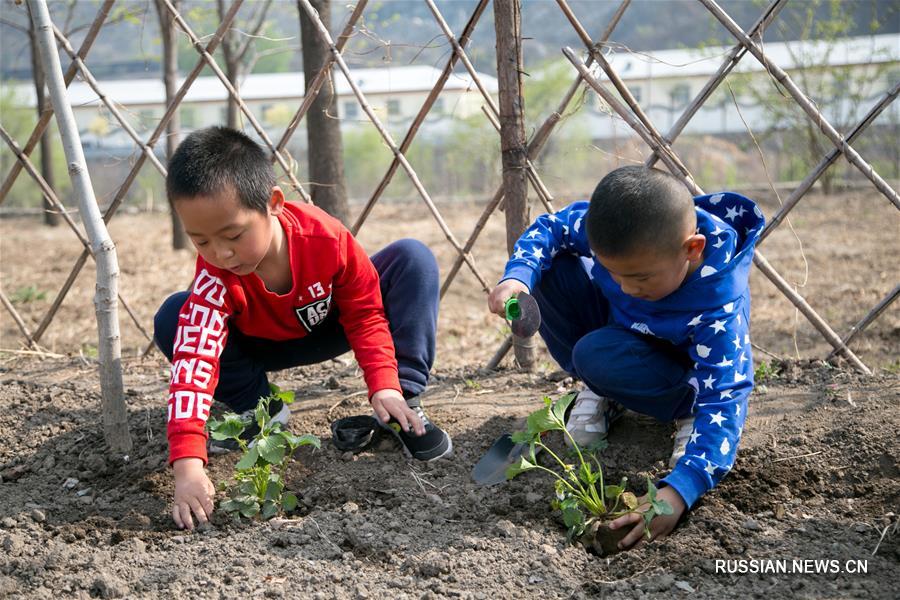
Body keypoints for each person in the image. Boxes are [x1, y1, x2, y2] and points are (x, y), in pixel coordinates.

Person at [153, 126, 452, 530]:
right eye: (201, 241)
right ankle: (259, 410)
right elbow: (194, 360)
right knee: (176, 316)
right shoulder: (215, 277)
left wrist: (384, 381)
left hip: (332, 322)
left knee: (412, 258)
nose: (221, 254)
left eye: (234, 235)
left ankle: (402, 406)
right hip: (258, 343)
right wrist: (187, 465)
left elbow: (365, 313)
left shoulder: (325, 239)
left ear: (273, 203)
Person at [488, 165, 763, 550]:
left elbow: (727, 393)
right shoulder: (631, 243)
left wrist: (682, 489)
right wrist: (517, 276)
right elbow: (549, 228)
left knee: (595, 354)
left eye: (640, 278)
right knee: (551, 271)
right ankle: (605, 389)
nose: (624, 287)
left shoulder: (718, 304)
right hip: (625, 343)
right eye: (612, 273)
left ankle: (686, 409)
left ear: (692, 248)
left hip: (684, 375)